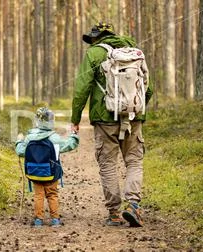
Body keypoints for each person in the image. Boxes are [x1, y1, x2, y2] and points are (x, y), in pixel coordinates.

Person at [71, 22, 153, 227]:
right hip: (134, 117)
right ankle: (133, 204)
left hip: (104, 117)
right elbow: (147, 88)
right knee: (134, 161)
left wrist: (75, 118)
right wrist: (135, 109)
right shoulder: (135, 51)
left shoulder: (94, 54)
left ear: (96, 38)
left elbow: (82, 88)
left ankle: (114, 213)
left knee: (107, 163)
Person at [15, 107, 79, 227]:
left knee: (38, 195)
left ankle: (38, 220)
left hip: (34, 173)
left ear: (37, 120)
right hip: (51, 173)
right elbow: (69, 145)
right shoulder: (54, 138)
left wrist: (19, 141)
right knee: (52, 195)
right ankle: (55, 219)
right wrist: (74, 135)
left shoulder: (29, 137)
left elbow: (20, 151)